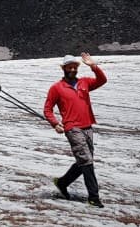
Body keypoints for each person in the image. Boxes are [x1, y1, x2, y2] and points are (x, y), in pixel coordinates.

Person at [43, 52, 108, 208]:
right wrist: (55, 123)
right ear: (63, 69)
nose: (72, 69)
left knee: (84, 160)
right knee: (86, 161)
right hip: (72, 128)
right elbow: (47, 109)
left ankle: (62, 182)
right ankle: (94, 197)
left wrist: (93, 65)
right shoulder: (56, 88)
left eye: (74, 67)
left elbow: (102, 80)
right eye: (69, 67)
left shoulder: (84, 83)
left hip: (88, 126)